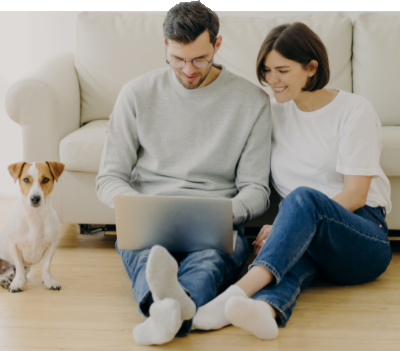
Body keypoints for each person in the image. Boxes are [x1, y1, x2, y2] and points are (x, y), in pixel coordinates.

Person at [192, 22, 392, 340]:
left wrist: (290, 220)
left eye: (282, 70)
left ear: (311, 68)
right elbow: (216, 130)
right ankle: (265, 311)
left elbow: (355, 194)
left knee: (301, 198)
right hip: (308, 240)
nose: (272, 80)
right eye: (267, 70)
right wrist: (137, 133)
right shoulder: (271, 113)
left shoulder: (353, 110)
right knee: (288, 261)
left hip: (362, 238)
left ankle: (233, 295)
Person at [96, 2, 272, 346]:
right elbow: (109, 178)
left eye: (199, 59)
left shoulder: (252, 101)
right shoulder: (136, 93)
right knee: (144, 254)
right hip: (149, 216)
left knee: (209, 261)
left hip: (215, 222)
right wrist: (139, 207)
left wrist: (227, 212)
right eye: (177, 59)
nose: (188, 70)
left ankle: (162, 314)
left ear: (217, 46)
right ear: (165, 45)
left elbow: (256, 189)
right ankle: (173, 311)